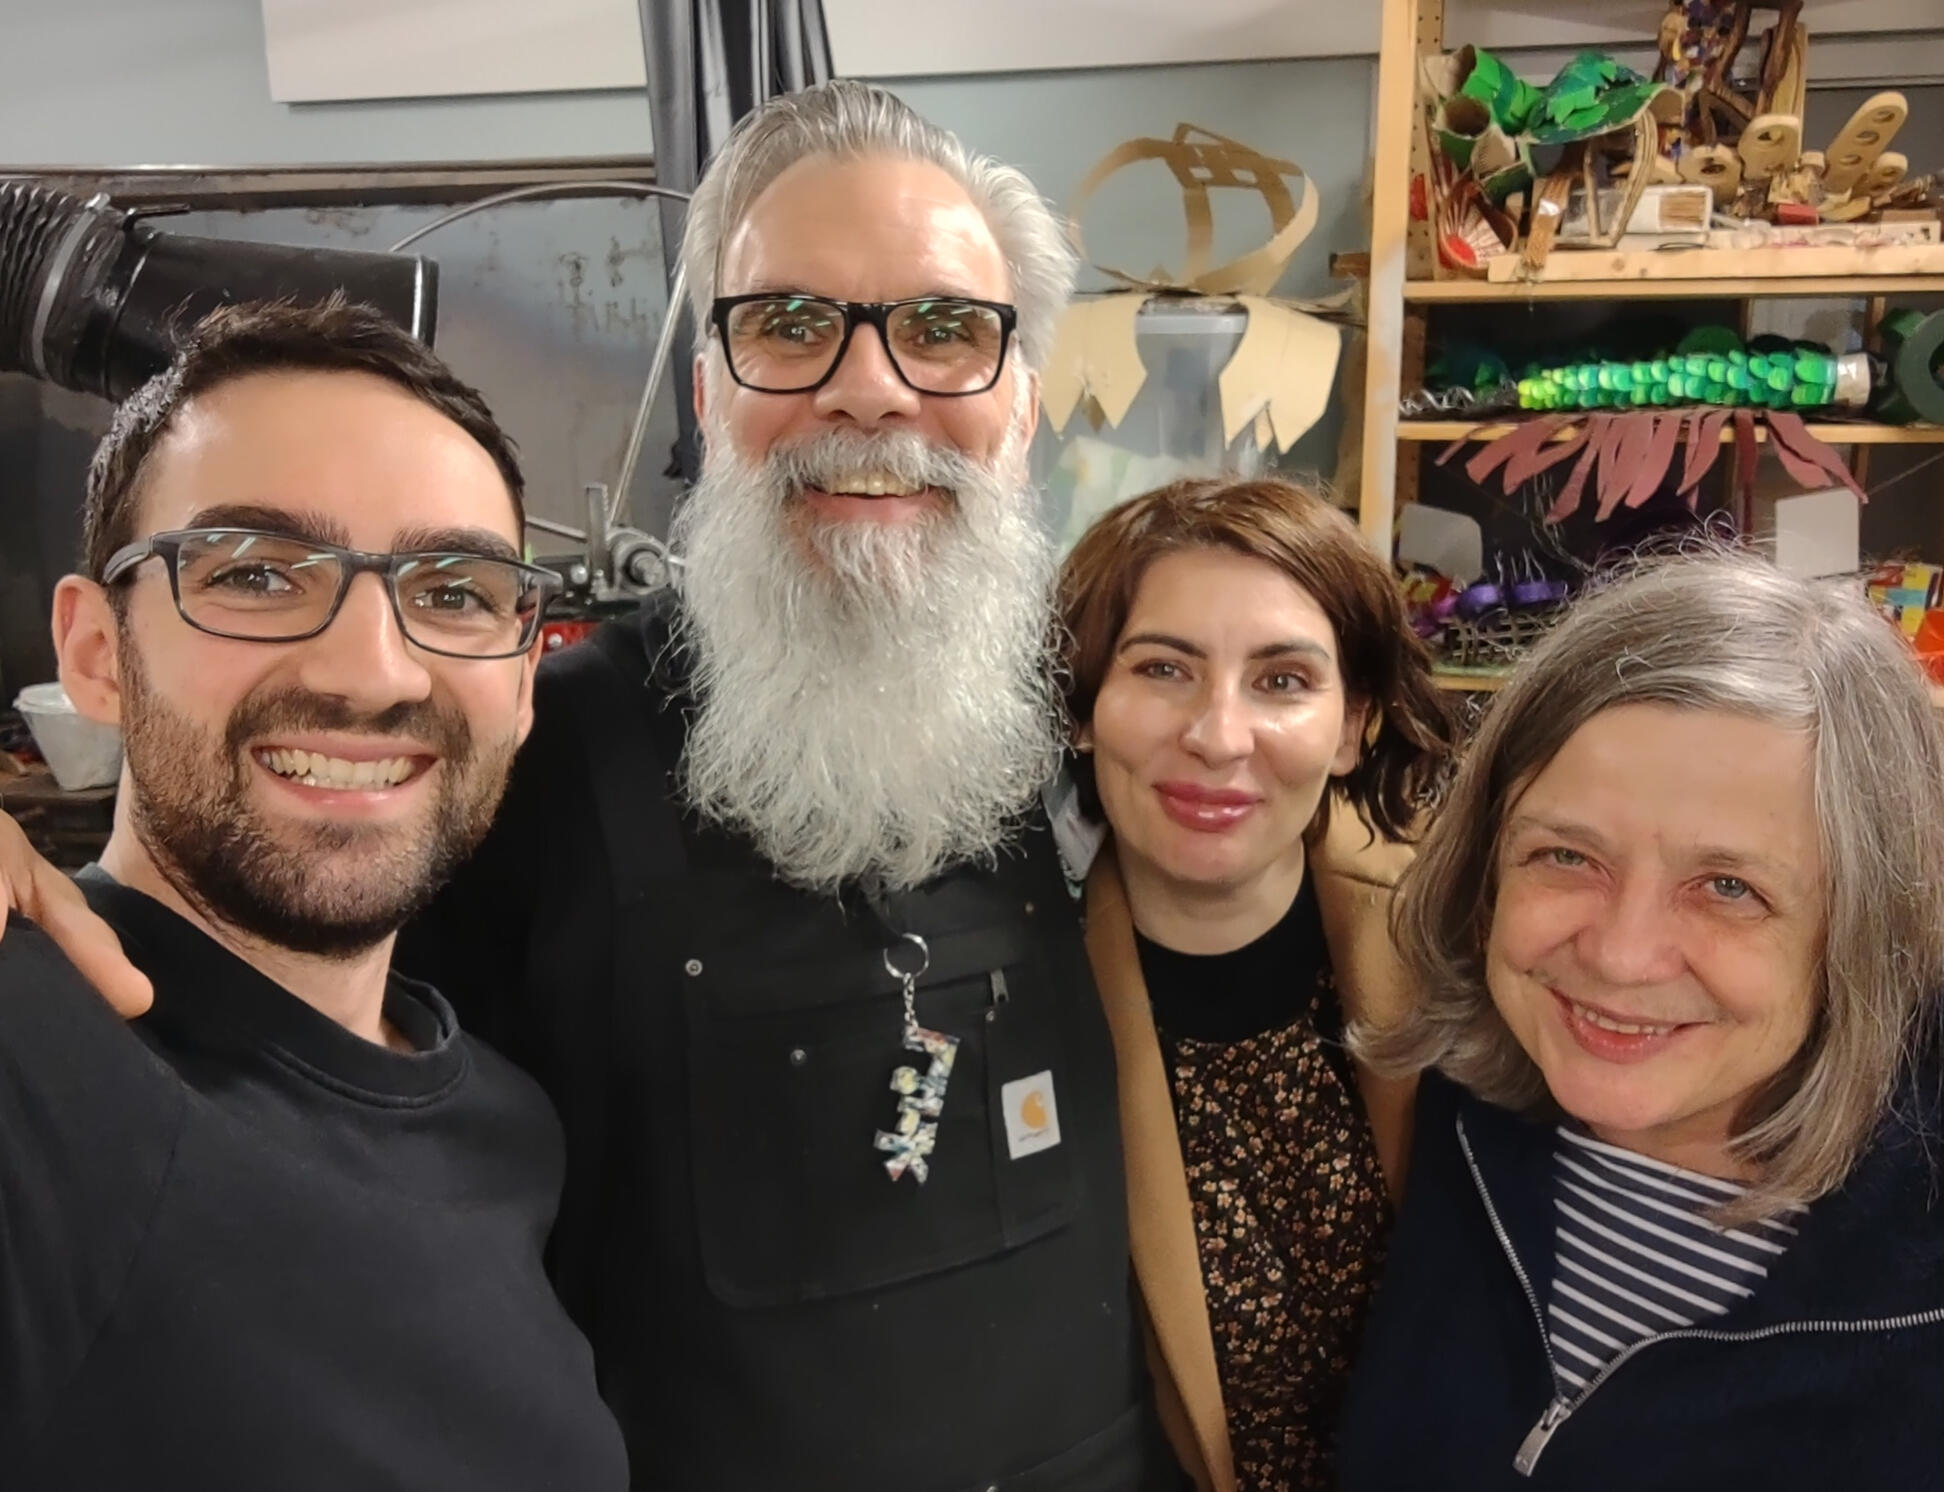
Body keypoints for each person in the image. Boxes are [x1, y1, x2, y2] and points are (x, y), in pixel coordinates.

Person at [0, 82, 1172, 1492]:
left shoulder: (1100, 725)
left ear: (1020, 405)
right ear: (709, 395)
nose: (869, 387)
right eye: (788, 323)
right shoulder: (523, 765)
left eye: (942, 329)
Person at [0, 299, 628, 1488]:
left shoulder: (506, 1125)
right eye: (255, 573)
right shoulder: (36, 1070)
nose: (372, 673)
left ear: (522, 682)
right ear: (95, 653)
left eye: (453, 592)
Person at [1335, 551, 1944, 1491]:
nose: (1620, 956)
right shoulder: (1424, 1114)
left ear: (1866, 927)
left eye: (1728, 887)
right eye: (1566, 856)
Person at [1057, 477, 1454, 1492]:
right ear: (1082, 709)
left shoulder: (1461, 953)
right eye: (1162, 668)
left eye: (1281, 680)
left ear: (1353, 725)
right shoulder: (1006, 990)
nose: (1218, 735)